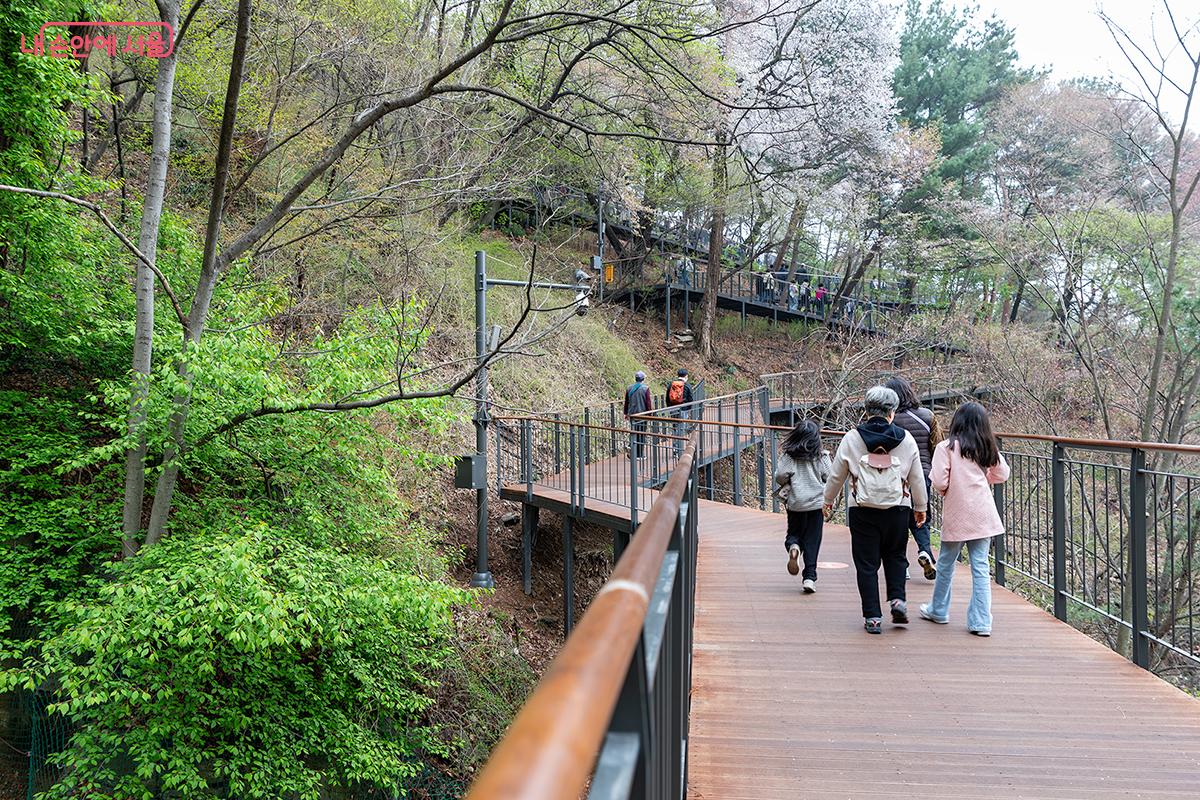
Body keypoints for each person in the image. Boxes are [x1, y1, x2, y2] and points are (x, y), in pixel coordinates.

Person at [823, 386, 928, 634]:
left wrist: (827, 501)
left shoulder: (852, 438)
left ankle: (872, 617)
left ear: (867, 411)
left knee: (866, 563)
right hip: (898, 508)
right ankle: (898, 600)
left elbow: (837, 474)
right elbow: (916, 477)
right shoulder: (906, 439)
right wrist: (920, 507)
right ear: (891, 412)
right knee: (895, 556)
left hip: (862, 509)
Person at [921, 402, 1010, 636]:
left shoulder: (946, 448)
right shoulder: (986, 446)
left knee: (946, 562)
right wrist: (984, 479)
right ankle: (981, 623)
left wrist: (948, 490)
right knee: (980, 566)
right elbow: (1003, 474)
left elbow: (939, 481)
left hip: (958, 512)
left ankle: (938, 609)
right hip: (983, 511)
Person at [885, 376, 939, 580]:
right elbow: (937, 446)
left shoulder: (889, 420)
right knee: (920, 516)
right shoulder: (927, 416)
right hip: (923, 474)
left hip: (895, 476)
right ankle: (925, 551)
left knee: (896, 519)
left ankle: (902, 565)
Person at [774, 421, 831, 593]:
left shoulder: (789, 456)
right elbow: (829, 475)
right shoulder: (822, 456)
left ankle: (794, 547)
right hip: (816, 504)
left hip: (796, 503)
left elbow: (780, 476)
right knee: (813, 540)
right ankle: (809, 578)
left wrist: (789, 480)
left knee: (794, 533)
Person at [624, 370, 653, 459]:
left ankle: (632, 449)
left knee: (634, 432)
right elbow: (648, 402)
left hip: (632, 415)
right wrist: (650, 414)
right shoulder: (645, 388)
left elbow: (626, 402)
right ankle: (639, 454)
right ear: (643, 378)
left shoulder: (629, 388)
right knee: (641, 434)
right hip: (642, 415)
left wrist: (626, 413)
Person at [665, 368, 694, 456]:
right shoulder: (687, 385)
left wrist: (669, 407)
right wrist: (688, 408)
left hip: (673, 409)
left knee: (674, 428)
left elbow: (667, 398)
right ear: (686, 376)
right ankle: (679, 448)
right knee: (681, 428)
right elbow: (691, 399)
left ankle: (675, 449)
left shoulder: (671, 384)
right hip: (683, 410)